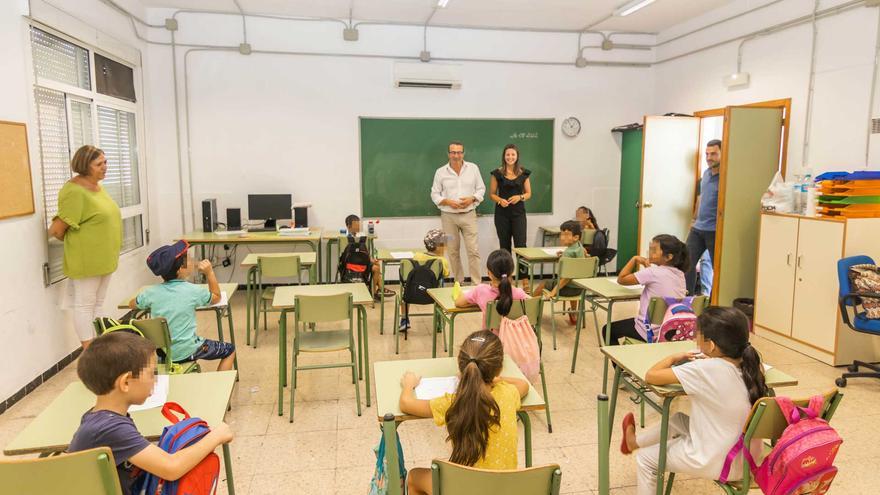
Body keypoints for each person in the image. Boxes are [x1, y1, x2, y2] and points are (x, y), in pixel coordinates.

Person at [620, 306, 768, 495]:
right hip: (748, 459)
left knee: (646, 460)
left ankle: (638, 448)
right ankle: (633, 442)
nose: (694, 338)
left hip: (721, 461)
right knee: (679, 420)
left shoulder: (705, 369)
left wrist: (675, 357)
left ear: (711, 345)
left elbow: (651, 376)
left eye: (697, 334)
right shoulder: (753, 366)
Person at [68, 331, 234, 495]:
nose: (155, 381)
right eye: (151, 374)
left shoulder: (103, 417)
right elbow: (171, 467)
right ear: (126, 382)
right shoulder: (110, 428)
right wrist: (215, 436)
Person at [400, 330, 530, 495]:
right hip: (505, 488)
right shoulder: (508, 393)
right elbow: (523, 385)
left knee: (413, 477)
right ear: (499, 368)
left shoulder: (453, 403)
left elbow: (406, 404)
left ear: (462, 368)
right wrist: (496, 378)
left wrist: (408, 385)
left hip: (463, 489)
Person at [48, 145, 122, 349]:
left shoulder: (98, 186)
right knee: (84, 305)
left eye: (105, 162)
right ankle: (90, 352)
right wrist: (83, 243)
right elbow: (56, 230)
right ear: (84, 166)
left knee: (98, 304)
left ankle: (100, 345)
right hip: (87, 260)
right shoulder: (74, 191)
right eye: (99, 164)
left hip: (105, 259)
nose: (105, 167)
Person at [129, 241, 235, 371]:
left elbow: (132, 304)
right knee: (230, 350)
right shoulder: (193, 291)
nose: (192, 260)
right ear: (180, 269)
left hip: (163, 352)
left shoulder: (150, 293)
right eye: (188, 259)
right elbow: (216, 296)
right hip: (189, 350)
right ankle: (221, 386)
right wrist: (210, 273)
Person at [605, 234, 688, 345]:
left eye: (654, 250)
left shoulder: (652, 273)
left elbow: (622, 279)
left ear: (668, 257)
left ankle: (620, 362)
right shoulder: (680, 275)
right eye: (650, 248)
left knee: (608, 330)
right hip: (671, 331)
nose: (650, 252)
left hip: (648, 331)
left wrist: (634, 259)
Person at [431, 141, 486, 285]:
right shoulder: (440, 172)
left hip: (469, 214)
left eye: (459, 152)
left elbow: (481, 189)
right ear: (448, 154)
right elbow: (434, 194)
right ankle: (459, 282)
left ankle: (476, 284)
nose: (456, 155)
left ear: (463, 153)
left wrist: (472, 199)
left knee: (473, 250)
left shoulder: (473, 168)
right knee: (453, 252)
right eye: (453, 152)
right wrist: (448, 202)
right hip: (448, 216)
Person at [489, 144, 531, 281]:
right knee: (505, 247)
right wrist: (500, 200)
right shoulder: (497, 173)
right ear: (504, 156)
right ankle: (507, 280)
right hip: (502, 215)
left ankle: (524, 280)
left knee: (521, 246)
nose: (510, 157)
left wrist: (520, 197)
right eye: (508, 154)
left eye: (513, 154)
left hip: (519, 214)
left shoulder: (523, 173)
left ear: (517, 156)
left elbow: (529, 193)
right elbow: (492, 194)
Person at [454, 249, 528, 328]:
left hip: (492, 339)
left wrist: (476, 301)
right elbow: (533, 307)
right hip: (514, 339)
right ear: (512, 272)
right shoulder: (519, 293)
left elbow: (458, 303)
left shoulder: (480, 291)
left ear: (489, 273)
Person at [685, 139, 722, 295]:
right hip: (698, 228)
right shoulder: (706, 174)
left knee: (717, 268)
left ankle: (713, 303)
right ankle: (686, 298)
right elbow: (701, 199)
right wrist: (694, 220)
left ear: (723, 154)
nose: (709, 157)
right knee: (686, 263)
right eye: (707, 154)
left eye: (713, 154)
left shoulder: (726, 178)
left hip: (714, 230)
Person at [532, 220, 586, 325]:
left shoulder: (568, 254)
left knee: (543, 283)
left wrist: (553, 292)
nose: (562, 237)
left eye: (566, 235)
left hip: (568, 289)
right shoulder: (579, 247)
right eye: (562, 234)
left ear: (576, 237)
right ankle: (574, 313)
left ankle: (528, 306)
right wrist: (564, 253)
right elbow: (583, 253)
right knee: (572, 281)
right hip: (580, 289)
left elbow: (566, 278)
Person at [399, 229, 451, 332]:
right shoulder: (441, 261)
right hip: (433, 296)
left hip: (412, 294)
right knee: (441, 288)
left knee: (405, 290)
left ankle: (404, 320)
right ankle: (439, 321)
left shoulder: (416, 256)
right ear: (439, 247)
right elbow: (445, 274)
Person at [344, 214, 393, 300]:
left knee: (376, 267)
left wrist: (371, 260)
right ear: (348, 226)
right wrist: (369, 260)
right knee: (376, 268)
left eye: (359, 225)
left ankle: (376, 291)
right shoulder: (346, 238)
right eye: (356, 226)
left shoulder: (360, 237)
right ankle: (377, 291)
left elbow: (364, 253)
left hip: (362, 263)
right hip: (351, 266)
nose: (358, 228)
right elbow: (348, 257)